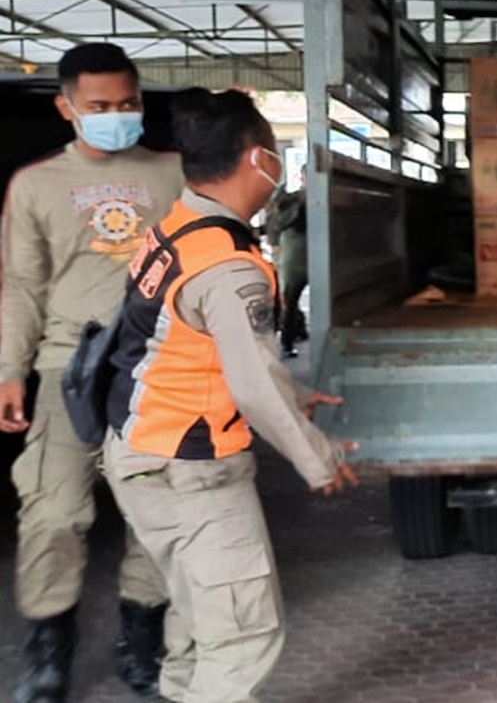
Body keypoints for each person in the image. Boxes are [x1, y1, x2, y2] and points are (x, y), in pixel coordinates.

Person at [100, 87, 357, 703]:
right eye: (272, 149)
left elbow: (196, 348)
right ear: (257, 158)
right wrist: (318, 459)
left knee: (197, 622)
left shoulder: (179, 226)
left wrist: (291, 393)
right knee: (243, 636)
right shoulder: (230, 264)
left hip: (141, 453)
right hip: (190, 473)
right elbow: (249, 382)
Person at [1, 43, 183, 702]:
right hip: (66, 366)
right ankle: (49, 650)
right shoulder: (36, 183)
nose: (116, 115)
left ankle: (143, 637)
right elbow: (21, 284)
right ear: (66, 106)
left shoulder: (175, 173)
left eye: (128, 103)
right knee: (52, 512)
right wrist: (9, 370)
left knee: (156, 508)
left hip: (159, 367)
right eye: (99, 106)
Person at [264, 179, 308, 357]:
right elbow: (276, 221)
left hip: (295, 256)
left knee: (290, 300)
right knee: (289, 301)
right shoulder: (292, 199)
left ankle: (292, 337)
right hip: (296, 256)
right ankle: (287, 341)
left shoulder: (292, 198)